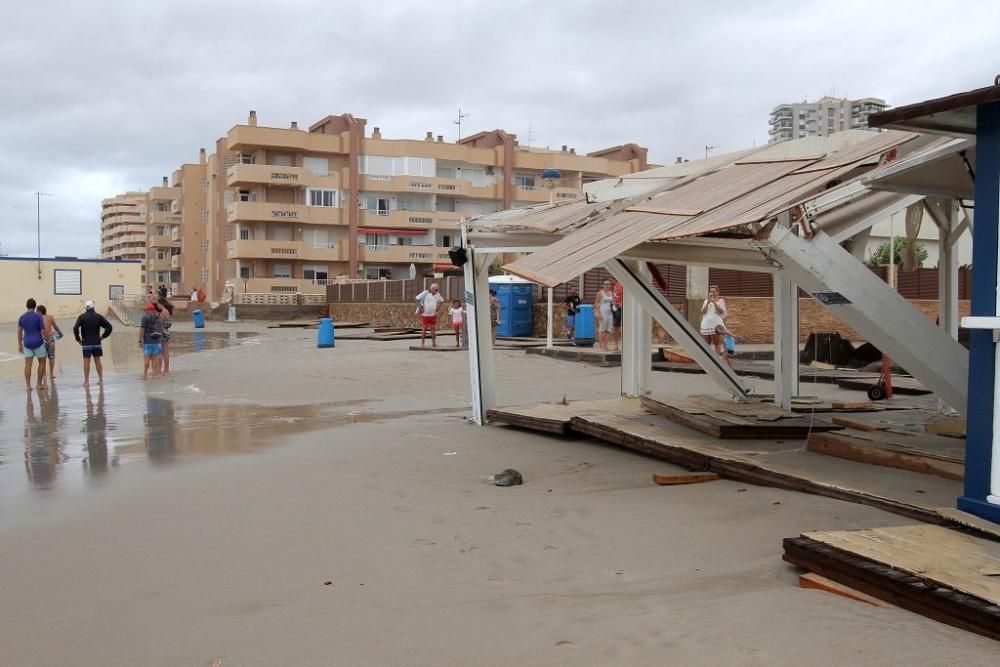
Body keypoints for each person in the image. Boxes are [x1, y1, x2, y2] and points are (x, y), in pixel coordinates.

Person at [73, 300, 113, 386]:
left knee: (86, 362)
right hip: (96, 342)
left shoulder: (81, 317)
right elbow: (109, 327)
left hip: (86, 342)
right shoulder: (99, 317)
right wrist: (103, 336)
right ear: (93, 307)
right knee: (97, 361)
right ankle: (101, 379)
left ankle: (86, 381)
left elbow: (75, 328)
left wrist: (78, 339)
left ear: (85, 308)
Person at [17, 298, 47, 390]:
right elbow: (42, 329)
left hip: (27, 343)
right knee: (42, 362)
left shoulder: (22, 317)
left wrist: (20, 345)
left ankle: (28, 386)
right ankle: (39, 384)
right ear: (35, 306)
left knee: (28, 365)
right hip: (38, 341)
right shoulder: (38, 316)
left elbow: (19, 332)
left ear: (27, 306)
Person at [36, 304, 63, 382]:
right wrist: (60, 333)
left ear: (39, 312)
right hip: (50, 339)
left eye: (37, 311)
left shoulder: (38, 318)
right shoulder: (50, 317)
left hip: (42, 339)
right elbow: (55, 327)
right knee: (51, 356)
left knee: (42, 357)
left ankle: (44, 374)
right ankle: (51, 373)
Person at [700, 284, 728, 358]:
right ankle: (708, 358)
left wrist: (714, 302)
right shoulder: (706, 301)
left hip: (716, 325)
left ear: (718, 292)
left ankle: (717, 358)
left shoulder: (721, 301)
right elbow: (703, 312)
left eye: (714, 291)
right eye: (711, 291)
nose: (712, 293)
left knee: (717, 342)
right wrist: (708, 303)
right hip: (706, 325)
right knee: (707, 342)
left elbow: (721, 311)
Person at [139, 303, 164, 380]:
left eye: (147, 309)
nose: (146, 311)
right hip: (157, 342)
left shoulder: (145, 318)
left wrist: (140, 340)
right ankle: (155, 375)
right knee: (154, 358)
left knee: (147, 359)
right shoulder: (158, 318)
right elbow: (161, 330)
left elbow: (142, 330)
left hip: (147, 342)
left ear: (149, 310)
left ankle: (145, 375)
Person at [415, 283, 444, 347]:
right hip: (425, 315)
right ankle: (422, 343)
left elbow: (441, 301)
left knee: (433, 329)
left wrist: (438, 308)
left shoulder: (438, 294)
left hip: (433, 315)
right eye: (436, 290)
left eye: (437, 290)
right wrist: (420, 307)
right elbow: (417, 299)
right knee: (424, 329)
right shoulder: (425, 293)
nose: (437, 291)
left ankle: (434, 343)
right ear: (432, 289)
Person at [594, 279, 615, 352]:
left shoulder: (611, 293)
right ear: (603, 285)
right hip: (603, 312)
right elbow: (596, 303)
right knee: (602, 330)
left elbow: (613, 302)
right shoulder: (600, 293)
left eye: (608, 284)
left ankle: (605, 346)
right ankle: (601, 347)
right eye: (605, 284)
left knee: (607, 331)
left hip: (610, 313)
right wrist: (598, 314)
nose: (607, 285)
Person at [157, 297, 175, 374]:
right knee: (166, 352)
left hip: (161, 332)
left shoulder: (163, 312)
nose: (157, 306)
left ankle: (159, 370)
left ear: (161, 304)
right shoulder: (167, 311)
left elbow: (158, 324)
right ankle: (166, 369)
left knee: (160, 352)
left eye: (158, 304)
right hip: (166, 332)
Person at [612, 281, 624, 351]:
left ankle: (625, 344)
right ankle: (616, 345)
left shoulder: (626, 283)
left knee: (626, 328)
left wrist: (623, 303)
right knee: (616, 327)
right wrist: (614, 303)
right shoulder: (615, 284)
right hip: (616, 309)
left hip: (625, 308)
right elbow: (614, 296)